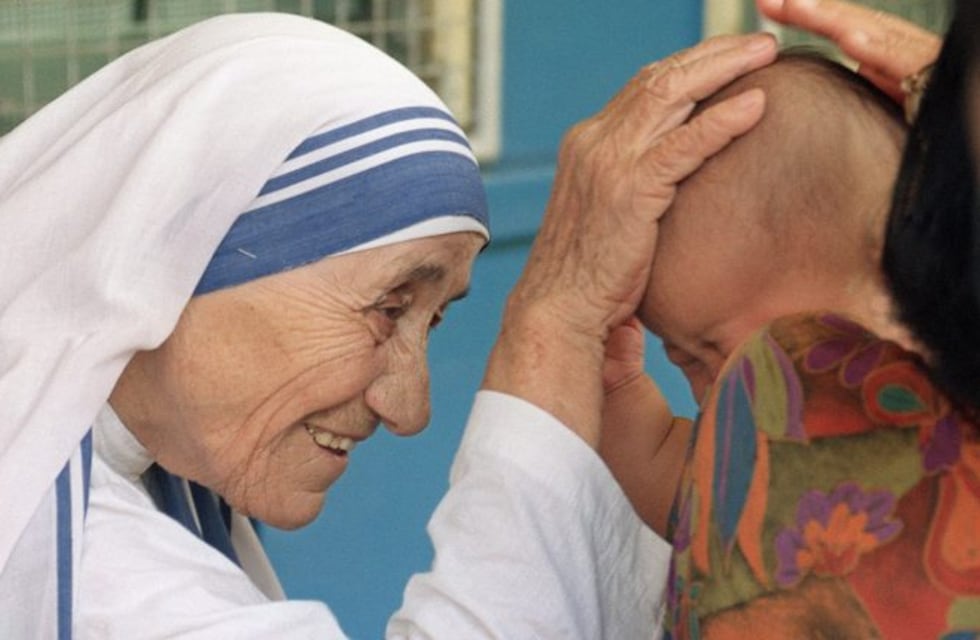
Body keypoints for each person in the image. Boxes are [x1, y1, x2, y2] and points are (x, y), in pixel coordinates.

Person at [0, 11, 781, 638]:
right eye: (388, 307)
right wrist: (557, 320)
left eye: (434, 321)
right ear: (172, 255)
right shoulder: (72, 578)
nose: (410, 410)